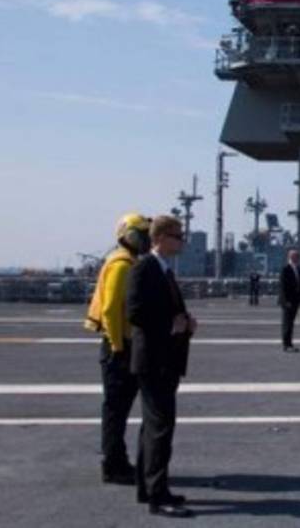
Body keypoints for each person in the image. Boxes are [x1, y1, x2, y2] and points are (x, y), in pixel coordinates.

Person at [127, 215, 196, 518]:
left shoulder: (163, 270)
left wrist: (185, 322)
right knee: (160, 429)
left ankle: (148, 488)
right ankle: (158, 496)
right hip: (155, 360)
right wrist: (172, 324)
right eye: (177, 235)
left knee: (151, 428)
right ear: (159, 238)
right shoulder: (145, 267)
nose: (181, 240)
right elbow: (136, 312)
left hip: (164, 360)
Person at [84, 213, 150, 486]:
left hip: (119, 343)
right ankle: (113, 464)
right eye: (142, 234)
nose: (146, 239)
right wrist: (119, 346)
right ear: (129, 235)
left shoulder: (125, 261)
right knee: (115, 409)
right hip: (119, 346)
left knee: (117, 409)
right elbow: (111, 309)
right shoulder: (122, 264)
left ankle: (117, 460)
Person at [278, 249, 300, 352]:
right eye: (296, 256)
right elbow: (283, 287)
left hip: (295, 300)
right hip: (288, 301)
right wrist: (286, 301)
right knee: (287, 323)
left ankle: (289, 343)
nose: (298, 258)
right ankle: (286, 344)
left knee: (291, 323)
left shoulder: (298, 269)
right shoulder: (285, 269)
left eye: (298, 256)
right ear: (290, 257)